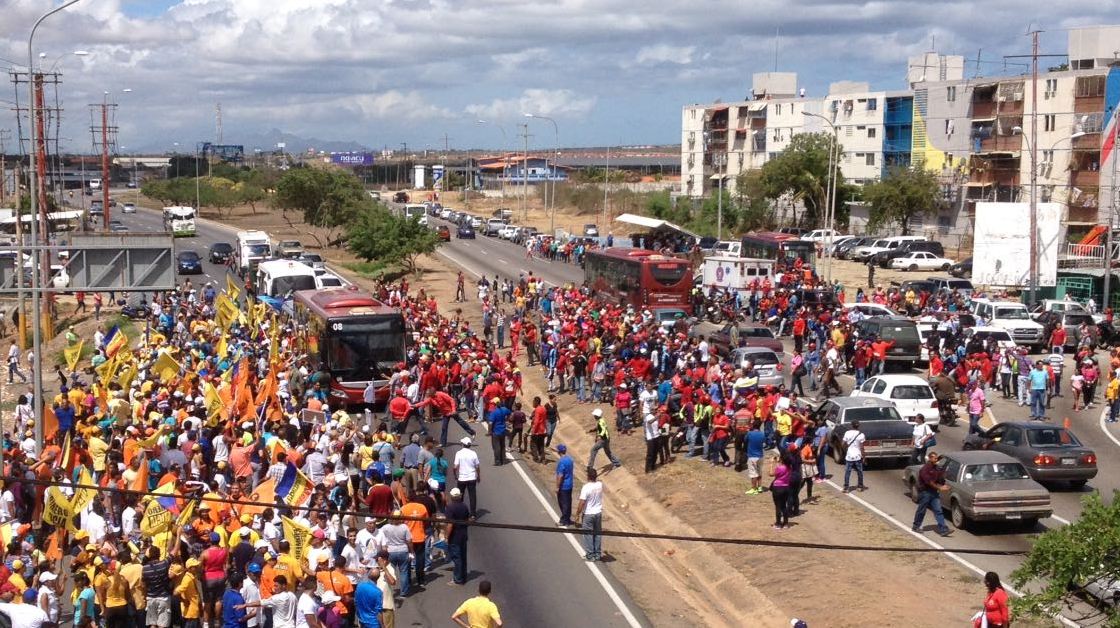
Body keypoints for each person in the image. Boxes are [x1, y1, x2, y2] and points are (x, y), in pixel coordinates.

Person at [911, 451, 952, 537]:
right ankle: (916, 526)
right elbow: (929, 482)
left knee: (938, 510)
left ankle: (943, 529)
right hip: (925, 492)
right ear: (930, 458)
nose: (936, 459)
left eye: (937, 458)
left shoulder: (936, 468)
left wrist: (944, 477)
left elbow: (939, 479)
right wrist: (940, 488)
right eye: (935, 458)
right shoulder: (925, 469)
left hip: (934, 493)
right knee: (922, 510)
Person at [444, 488, 472, 586]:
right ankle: (463, 576)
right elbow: (468, 520)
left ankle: (458, 579)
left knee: (457, 558)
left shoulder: (450, 508)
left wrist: (447, 537)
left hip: (455, 536)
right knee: (463, 557)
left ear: (452, 497)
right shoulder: (464, 506)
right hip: (463, 535)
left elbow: (450, 525)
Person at [575, 468, 604, 561]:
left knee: (588, 534)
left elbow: (582, 502)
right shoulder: (600, 485)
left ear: (588, 477)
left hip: (588, 514)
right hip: (598, 513)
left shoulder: (586, 487)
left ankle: (590, 554)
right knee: (597, 533)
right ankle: (597, 554)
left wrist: (577, 514)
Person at [453, 437, 481, 517]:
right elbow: (477, 466)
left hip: (462, 478)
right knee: (472, 496)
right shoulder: (473, 453)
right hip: (472, 477)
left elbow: (455, 467)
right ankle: (473, 514)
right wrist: (478, 476)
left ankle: (460, 513)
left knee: (460, 496)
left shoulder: (459, 453)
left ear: (463, 444)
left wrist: (455, 475)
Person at [841, 420, 867, 493]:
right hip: (858, 456)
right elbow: (862, 447)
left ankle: (846, 487)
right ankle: (860, 486)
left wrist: (846, 450)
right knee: (859, 472)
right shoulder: (861, 435)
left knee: (847, 472)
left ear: (851, 425)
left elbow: (842, 444)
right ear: (858, 426)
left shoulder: (847, 433)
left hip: (849, 456)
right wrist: (864, 457)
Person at [769, 450, 792, 530]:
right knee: (784, 506)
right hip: (786, 488)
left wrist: (772, 463)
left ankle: (778, 523)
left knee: (778, 506)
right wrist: (778, 461)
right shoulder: (789, 467)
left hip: (778, 488)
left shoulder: (780, 468)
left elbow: (771, 473)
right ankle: (785, 523)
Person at [555, 444, 575, 526]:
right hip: (570, 484)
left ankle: (564, 520)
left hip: (563, 486)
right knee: (568, 502)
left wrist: (557, 487)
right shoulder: (570, 459)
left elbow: (560, 475)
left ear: (559, 451)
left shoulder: (561, 462)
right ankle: (567, 518)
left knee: (563, 503)